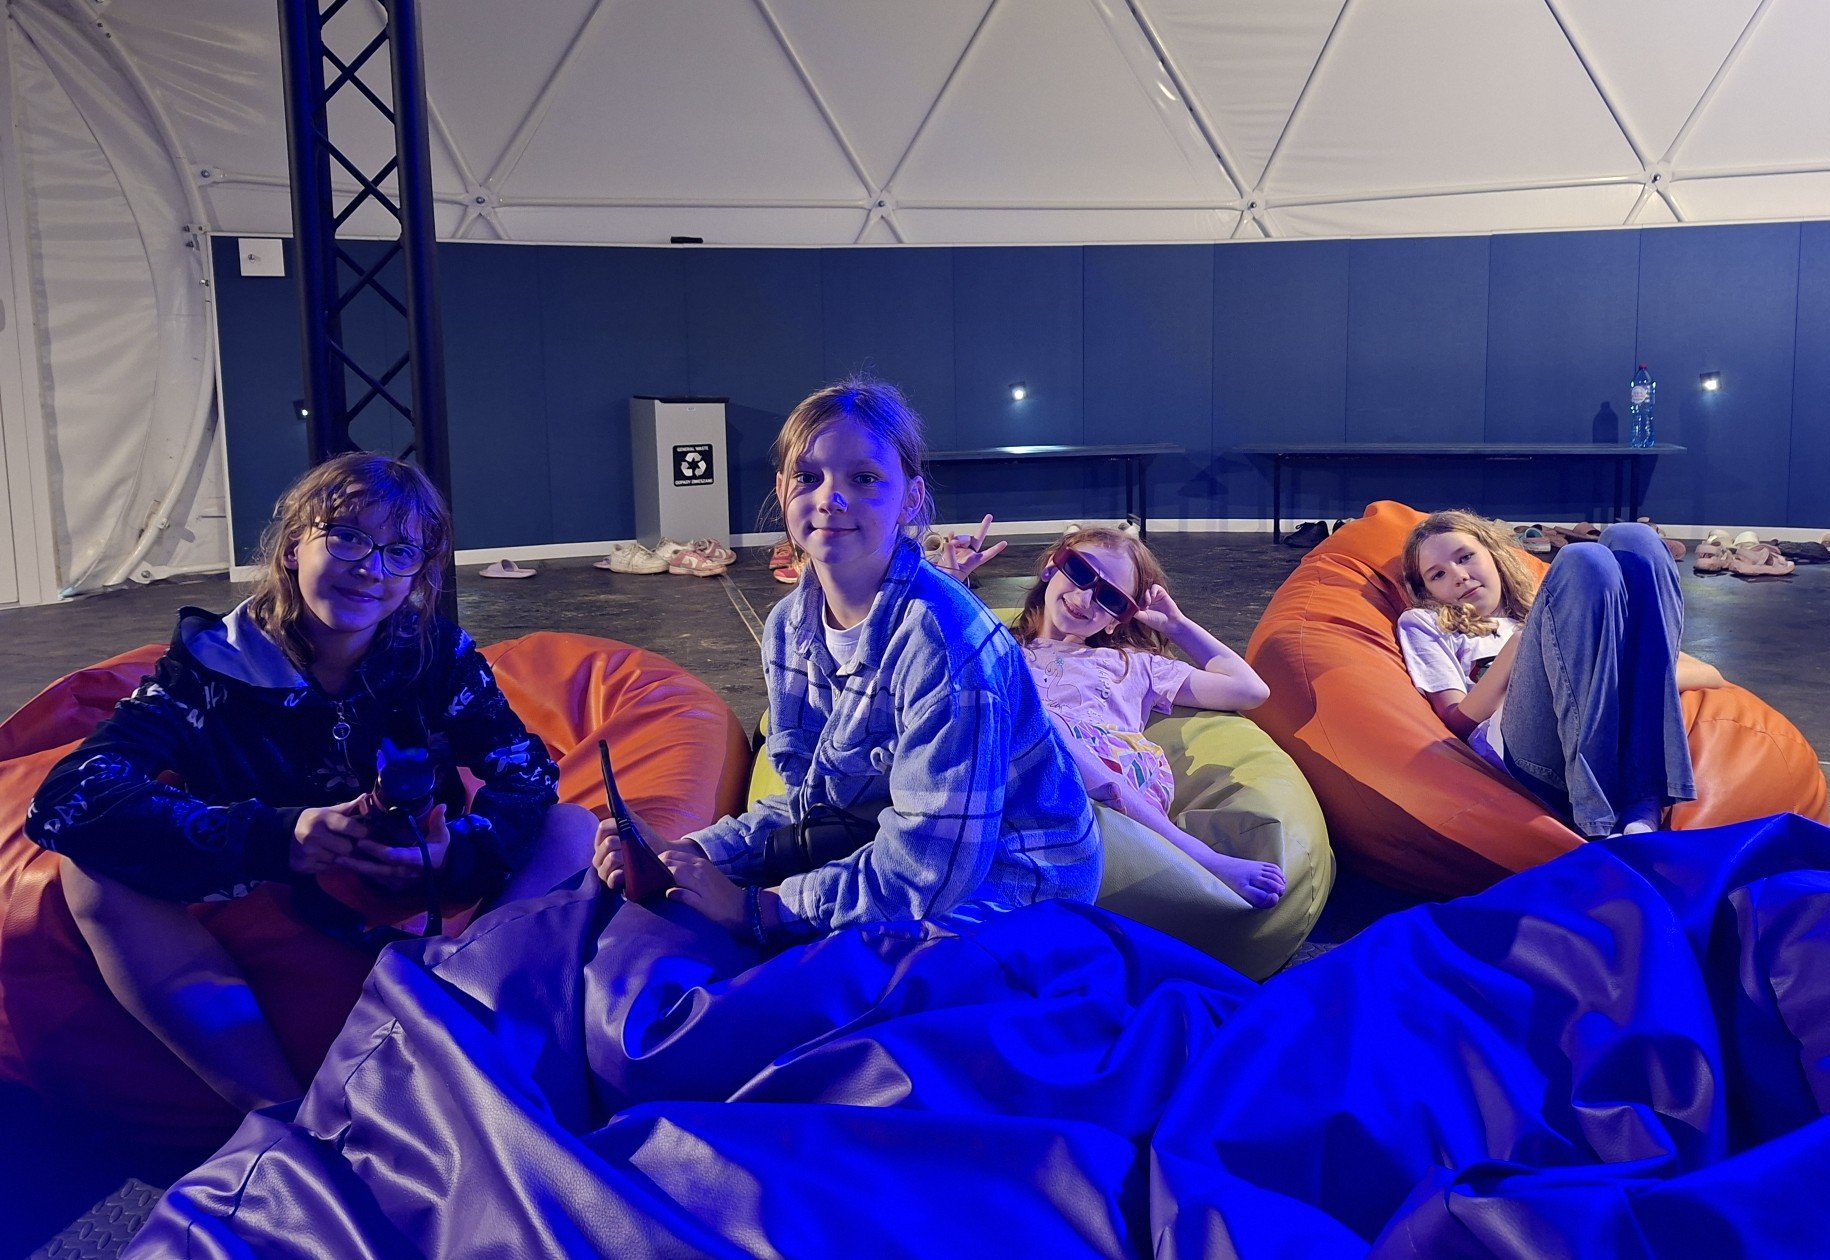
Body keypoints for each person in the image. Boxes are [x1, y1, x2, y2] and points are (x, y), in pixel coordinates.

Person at [26, 452, 597, 1111]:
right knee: (87, 871)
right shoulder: (213, 666)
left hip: (416, 872)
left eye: (399, 552)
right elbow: (68, 797)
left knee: (574, 827)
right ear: (295, 545)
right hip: (270, 881)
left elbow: (526, 774)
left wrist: (454, 851)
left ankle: (471, 1029)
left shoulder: (435, 655)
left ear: (418, 572)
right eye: (348, 537)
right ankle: (277, 1116)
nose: (370, 568)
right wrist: (280, 835)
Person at [596, 377, 1101, 944]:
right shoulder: (787, 629)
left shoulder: (946, 647)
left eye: (864, 479)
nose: (830, 499)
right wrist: (688, 854)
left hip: (1015, 883)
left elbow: (929, 872)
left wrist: (758, 909)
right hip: (891, 843)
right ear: (782, 489)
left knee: (808, 984)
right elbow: (815, 803)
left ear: (910, 497)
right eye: (808, 477)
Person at [1397, 510, 1723, 839]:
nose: (1459, 576)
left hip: (1605, 727)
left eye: (1465, 557)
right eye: (1437, 575)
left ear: (1493, 554)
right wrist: (1517, 649)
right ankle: (1599, 820)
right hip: (1525, 751)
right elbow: (1455, 721)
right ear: (1426, 590)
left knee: (1635, 539)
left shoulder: (1552, 606)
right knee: (1584, 561)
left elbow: (1708, 674)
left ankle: (1642, 800)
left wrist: (1613, 674)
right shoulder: (1426, 623)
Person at [1009, 526, 1287, 908]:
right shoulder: (1002, 647)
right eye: (1079, 572)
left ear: (1115, 621)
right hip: (1029, 766)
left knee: (1040, 721)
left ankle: (1195, 854)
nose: (1085, 597)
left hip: (1111, 767)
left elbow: (1250, 690)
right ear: (1051, 568)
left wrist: (1179, 627)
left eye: (1110, 597)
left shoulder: (1133, 664)